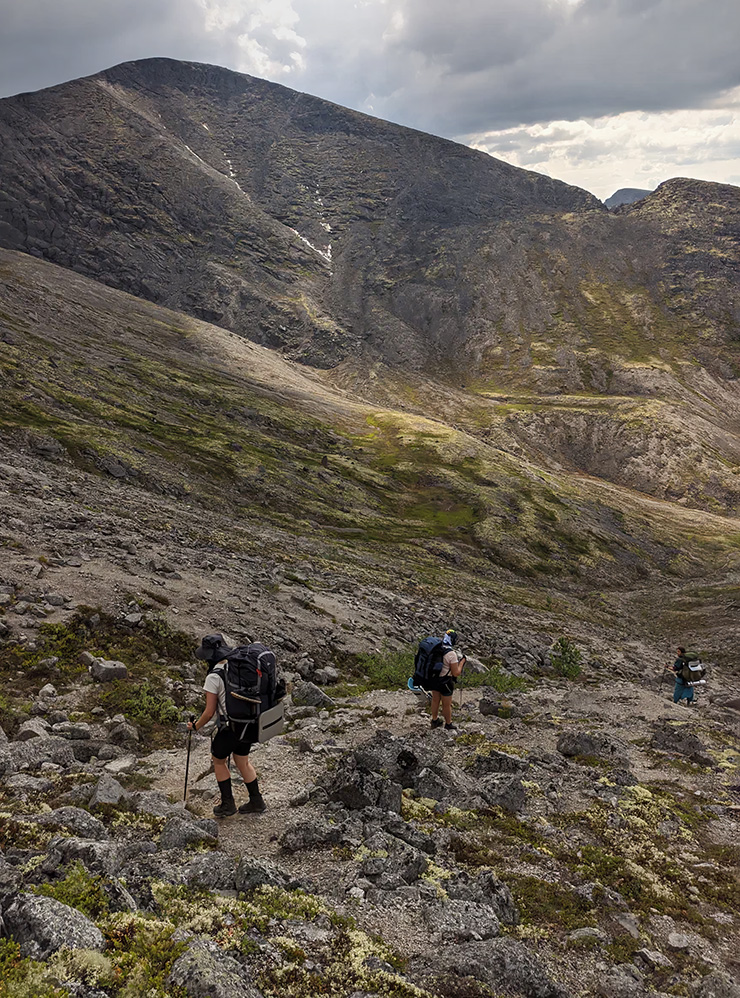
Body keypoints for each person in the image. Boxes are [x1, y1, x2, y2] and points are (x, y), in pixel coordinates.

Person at [189, 636, 266, 817]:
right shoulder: (237, 666)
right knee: (242, 761)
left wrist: (195, 727)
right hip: (248, 723)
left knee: (219, 760)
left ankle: (227, 804)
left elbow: (209, 712)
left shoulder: (213, 677)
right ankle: (256, 801)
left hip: (229, 727)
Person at [429, 629, 466, 731]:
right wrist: (462, 662)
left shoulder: (437, 648)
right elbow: (456, 673)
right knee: (446, 704)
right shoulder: (451, 654)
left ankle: (434, 720)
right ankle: (448, 723)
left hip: (434, 679)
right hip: (445, 681)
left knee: (435, 700)